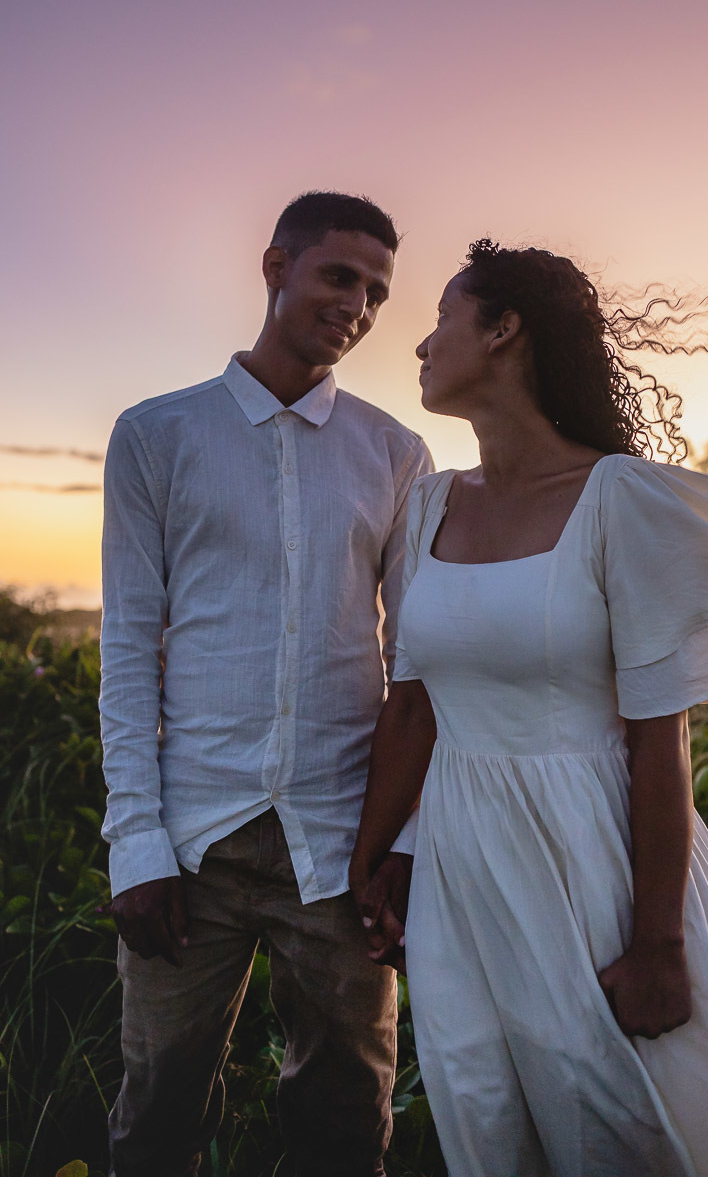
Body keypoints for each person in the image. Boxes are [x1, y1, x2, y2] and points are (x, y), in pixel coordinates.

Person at [349, 239, 708, 1177]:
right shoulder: (426, 509)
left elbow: (660, 742)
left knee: (626, 1119)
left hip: (596, 859)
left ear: (503, 331)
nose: (418, 344)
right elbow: (411, 709)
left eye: (441, 317)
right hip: (459, 862)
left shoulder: (619, 501)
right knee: (483, 1109)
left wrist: (657, 943)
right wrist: (376, 857)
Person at [99, 191, 433, 1177]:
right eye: (339, 275)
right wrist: (136, 841)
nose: (358, 306)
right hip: (189, 842)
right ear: (275, 265)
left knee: (344, 1125)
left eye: (376, 292)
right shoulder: (158, 434)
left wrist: (401, 843)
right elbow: (128, 643)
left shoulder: (396, 453)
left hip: (340, 849)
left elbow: (413, 664)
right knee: (155, 1116)